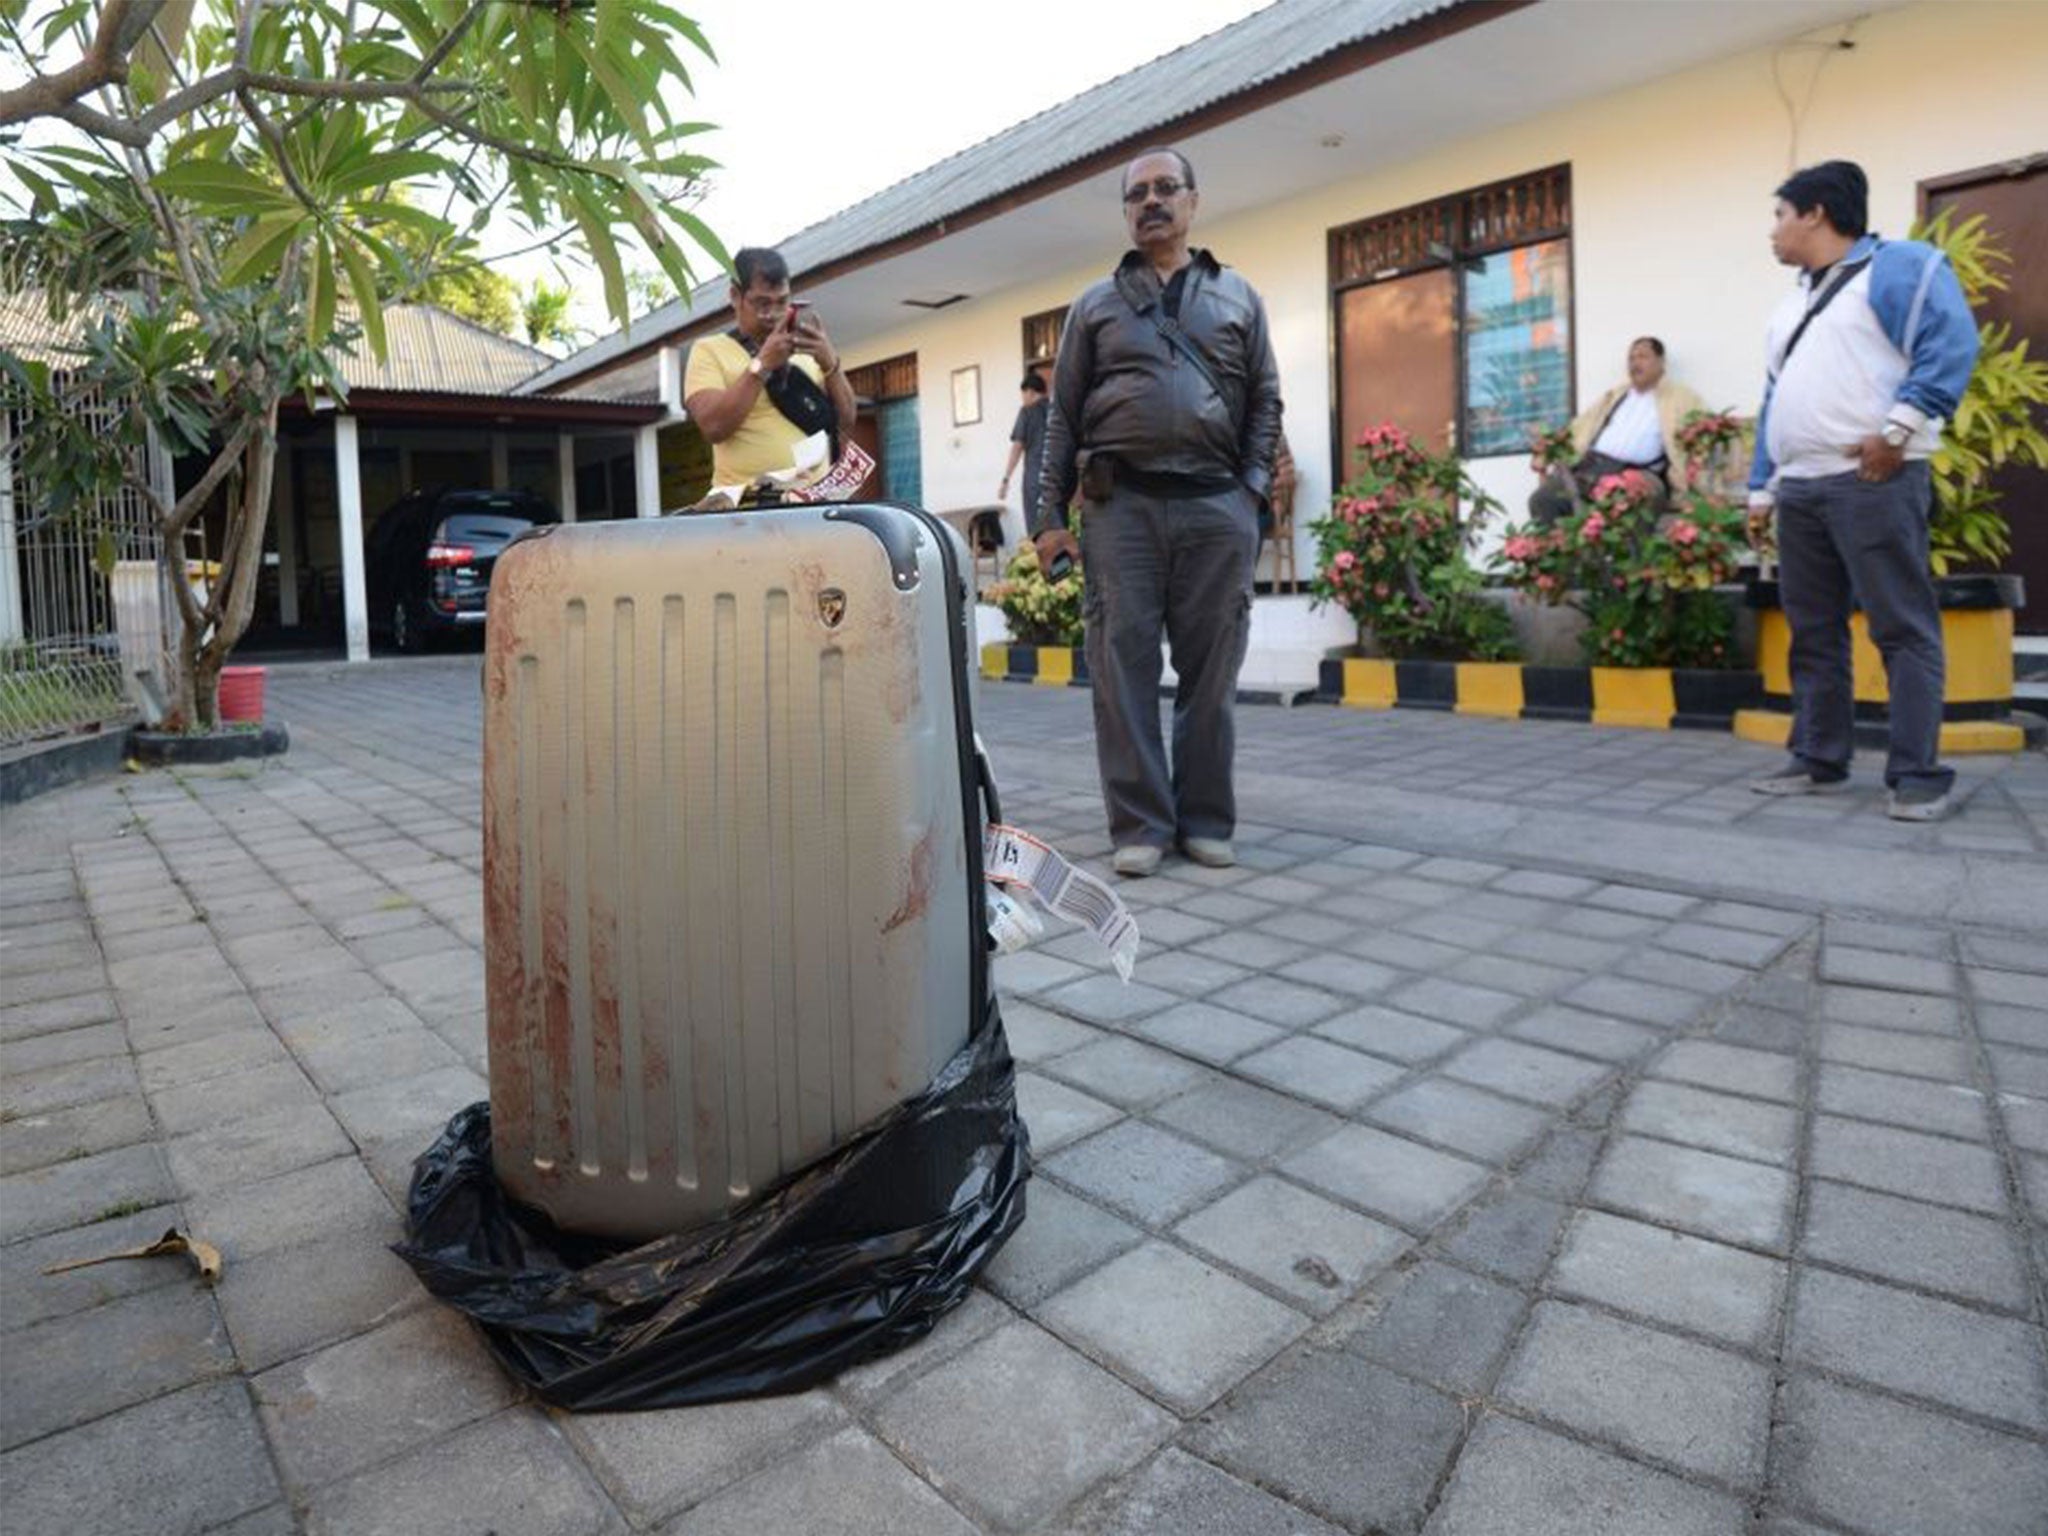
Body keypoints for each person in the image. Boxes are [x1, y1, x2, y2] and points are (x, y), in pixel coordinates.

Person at [1034, 147, 1282, 878]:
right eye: (1137, 193)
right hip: (1123, 510)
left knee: (1212, 678)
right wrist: (1049, 516)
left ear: (1193, 202)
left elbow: (1266, 399)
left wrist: (1252, 491)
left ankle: (1205, 820)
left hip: (1216, 506)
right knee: (1122, 673)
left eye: (1166, 188)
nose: (1152, 201)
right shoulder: (1095, 304)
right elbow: (1063, 417)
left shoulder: (1238, 296)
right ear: (1125, 212)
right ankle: (1140, 824)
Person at [1746, 159, 1979, 821]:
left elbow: (1951, 341)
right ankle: (1820, 759)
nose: (1773, 230)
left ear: (1815, 212)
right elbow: (1774, 398)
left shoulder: (1900, 267)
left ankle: (1916, 775)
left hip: (1873, 477)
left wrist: (1899, 429)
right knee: (1813, 630)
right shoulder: (1793, 300)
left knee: (1901, 627)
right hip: (1802, 487)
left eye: (1779, 215)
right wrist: (1761, 489)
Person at [683, 247, 858, 492]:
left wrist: (832, 365)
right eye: (762, 303)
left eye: (782, 302)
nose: (773, 314)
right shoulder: (709, 351)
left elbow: (846, 421)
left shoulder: (804, 352)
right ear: (735, 296)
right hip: (749, 509)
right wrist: (762, 365)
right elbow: (714, 427)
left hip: (812, 503)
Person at [1528, 337, 1704, 524]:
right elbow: (1579, 428)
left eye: (1643, 356)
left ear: (1661, 362)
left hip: (1642, 474)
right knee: (1542, 500)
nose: (1635, 363)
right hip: (1592, 468)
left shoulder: (1681, 397)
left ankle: (1631, 554)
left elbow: (1703, 432)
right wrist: (1549, 448)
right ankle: (1562, 552)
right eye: (1631, 358)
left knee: (1636, 505)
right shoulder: (1615, 396)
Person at [999, 372, 1049, 518]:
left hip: (1035, 479)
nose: (1022, 398)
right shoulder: (1057, 410)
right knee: (1058, 527)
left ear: (1030, 392)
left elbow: (1017, 447)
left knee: (1036, 528)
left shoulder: (1027, 412)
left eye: (1023, 394)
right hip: (1058, 477)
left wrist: (1006, 479)